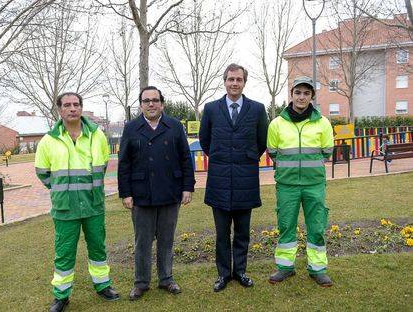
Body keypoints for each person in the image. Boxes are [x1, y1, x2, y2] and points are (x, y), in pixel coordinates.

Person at [35, 92, 120, 312]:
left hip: (93, 204)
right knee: (64, 252)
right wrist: (62, 191)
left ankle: (103, 286)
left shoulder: (97, 136)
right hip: (65, 207)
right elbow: (43, 172)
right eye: (67, 105)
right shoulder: (48, 140)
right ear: (60, 110)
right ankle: (61, 296)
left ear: (81, 108)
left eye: (76, 104)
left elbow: (102, 166)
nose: (72, 108)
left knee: (98, 248)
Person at [118, 86, 195, 300]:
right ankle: (141, 282)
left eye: (155, 100)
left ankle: (166, 279)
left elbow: (185, 159)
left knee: (166, 239)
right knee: (142, 241)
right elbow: (124, 164)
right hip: (141, 194)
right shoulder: (131, 128)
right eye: (146, 100)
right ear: (141, 104)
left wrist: (188, 187)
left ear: (162, 103)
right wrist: (126, 193)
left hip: (170, 191)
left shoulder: (175, 126)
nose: (151, 104)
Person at [199, 63, 268, 292]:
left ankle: (240, 271)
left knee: (242, 232)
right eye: (231, 79)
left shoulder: (257, 109)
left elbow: (261, 142)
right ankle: (223, 275)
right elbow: (205, 141)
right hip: (219, 181)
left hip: (245, 180)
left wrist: (243, 159)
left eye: (238, 79)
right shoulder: (210, 109)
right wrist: (223, 159)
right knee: (221, 234)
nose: (234, 83)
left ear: (244, 82)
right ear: (224, 81)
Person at [266, 76, 334, 287]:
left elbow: (327, 152)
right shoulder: (276, 123)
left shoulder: (323, 123)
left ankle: (318, 269)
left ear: (312, 96)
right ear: (292, 95)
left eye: (306, 93)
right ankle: (285, 267)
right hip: (287, 186)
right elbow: (273, 152)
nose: (301, 97)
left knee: (316, 227)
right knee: (286, 225)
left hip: (314, 185)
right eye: (298, 92)